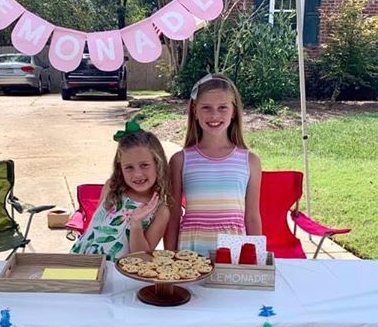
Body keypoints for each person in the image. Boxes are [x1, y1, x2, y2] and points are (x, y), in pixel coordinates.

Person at [164, 73, 262, 257]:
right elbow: (173, 215)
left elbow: (252, 216)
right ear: (195, 111)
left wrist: (256, 259)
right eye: (206, 108)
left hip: (233, 253)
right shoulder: (180, 160)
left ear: (234, 111)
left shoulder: (250, 162)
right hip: (190, 252)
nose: (214, 114)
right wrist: (169, 258)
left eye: (222, 107)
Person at [71, 122, 171, 261]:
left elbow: (141, 258)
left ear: (158, 164)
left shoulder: (160, 211)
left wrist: (136, 223)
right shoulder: (111, 188)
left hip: (116, 276)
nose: (137, 174)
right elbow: (94, 228)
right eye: (129, 167)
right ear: (120, 168)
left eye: (144, 165)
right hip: (80, 262)